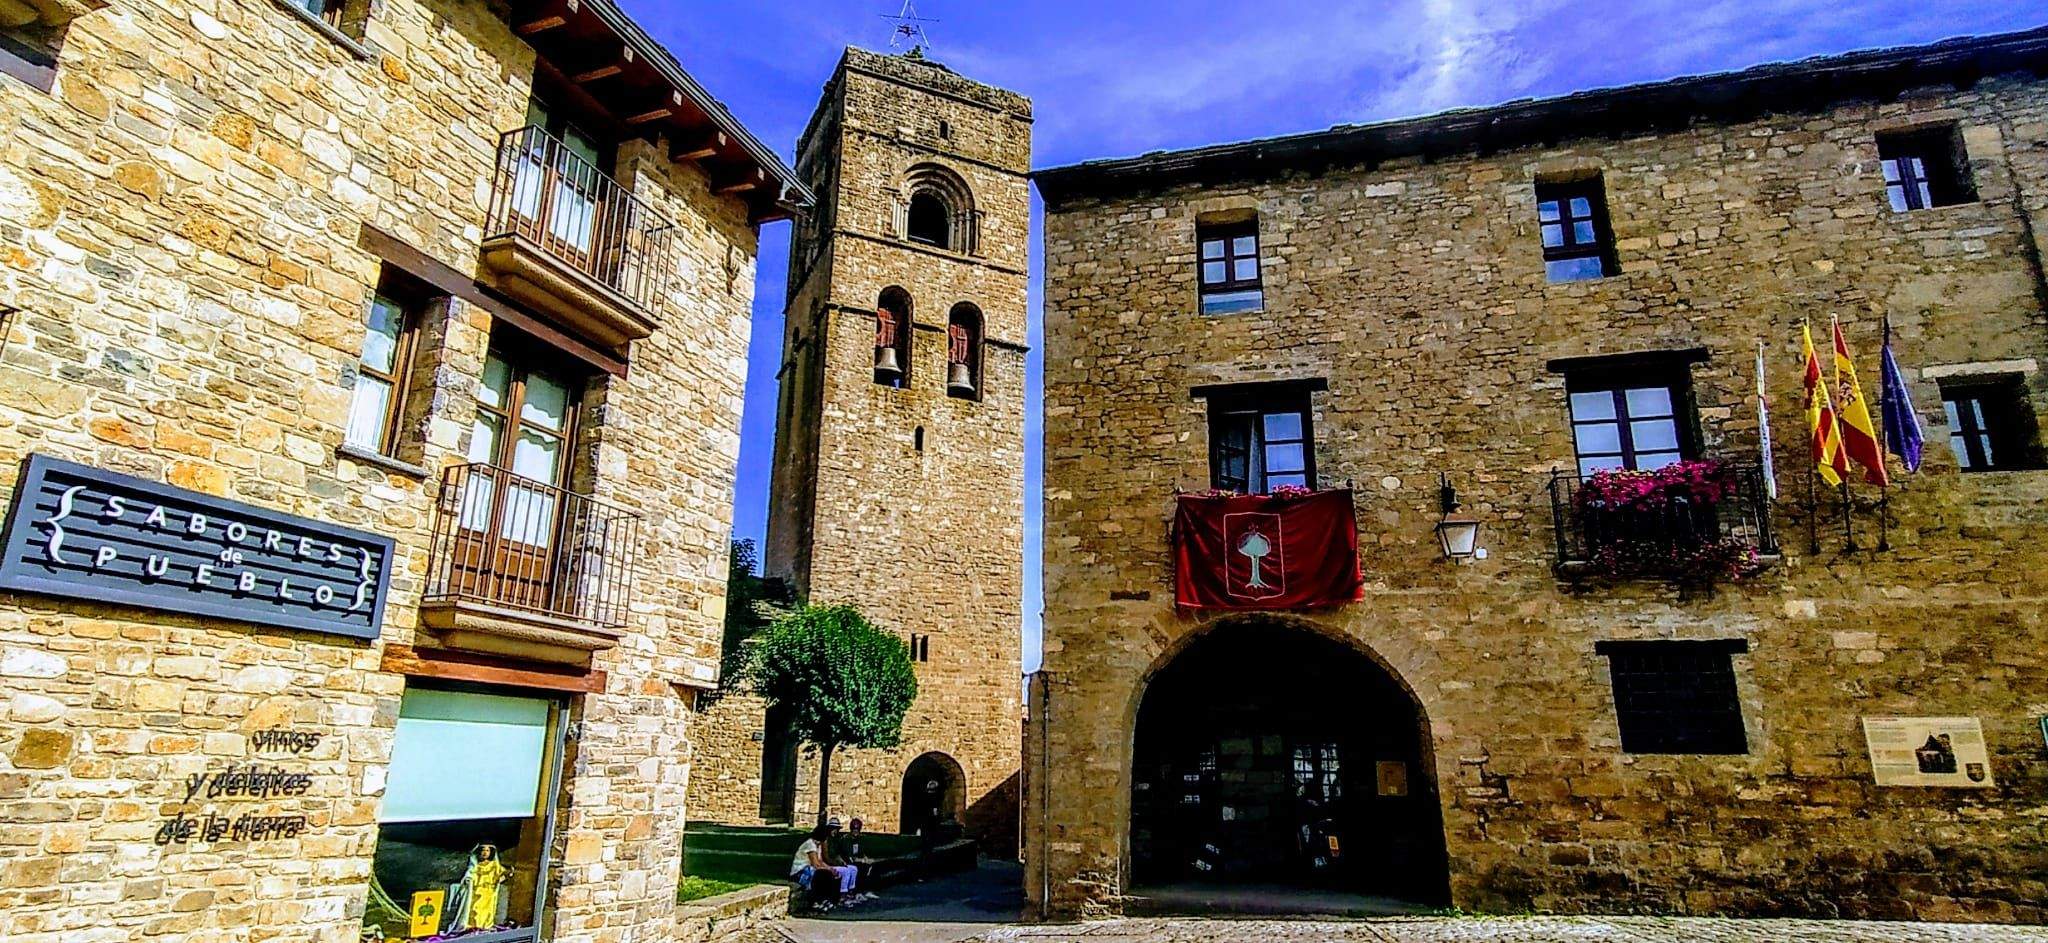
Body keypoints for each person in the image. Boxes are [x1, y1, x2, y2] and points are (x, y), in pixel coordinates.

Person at [790, 821, 859, 906]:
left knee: (835, 872)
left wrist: (830, 868)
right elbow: (815, 864)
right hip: (800, 872)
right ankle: (820, 899)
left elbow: (820, 861)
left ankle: (838, 896)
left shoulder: (817, 845)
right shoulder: (810, 845)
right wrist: (829, 870)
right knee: (821, 874)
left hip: (810, 868)